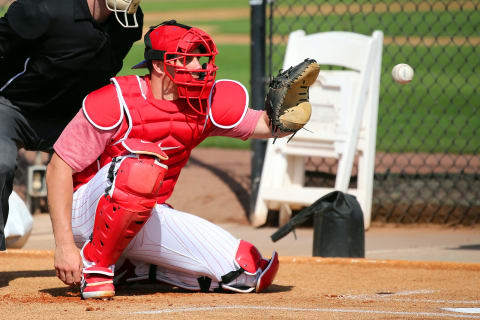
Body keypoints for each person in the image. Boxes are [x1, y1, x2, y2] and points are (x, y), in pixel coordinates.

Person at [46, 20, 286, 299]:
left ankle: (135, 268)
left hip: (141, 214)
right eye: (188, 59)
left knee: (245, 270)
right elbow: (57, 169)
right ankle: (95, 264)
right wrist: (64, 244)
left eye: (201, 59)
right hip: (85, 212)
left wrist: (292, 114)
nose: (199, 67)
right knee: (139, 166)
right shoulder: (115, 100)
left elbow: (267, 125)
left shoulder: (202, 103)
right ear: (159, 65)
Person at [0, 0, 143, 250]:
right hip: (14, 105)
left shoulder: (128, 22)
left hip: (72, 116)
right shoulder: (43, 8)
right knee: (0, 163)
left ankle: (111, 255)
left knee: (128, 168)